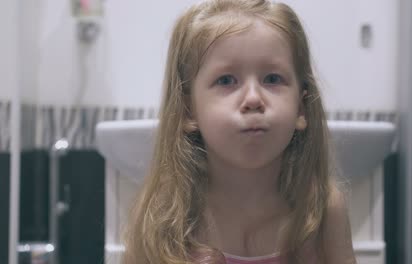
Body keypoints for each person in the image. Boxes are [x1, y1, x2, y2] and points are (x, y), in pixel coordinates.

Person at [123, 0, 356, 263]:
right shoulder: (163, 213)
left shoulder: (323, 210)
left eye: (272, 79)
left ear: (301, 108)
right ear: (188, 111)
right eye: (226, 80)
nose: (253, 98)